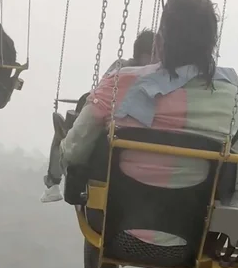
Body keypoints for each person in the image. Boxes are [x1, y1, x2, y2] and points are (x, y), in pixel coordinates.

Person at [60, 0, 238, 268]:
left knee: (95, 184)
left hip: (115, 234)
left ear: (161, 40)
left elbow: (73, 149)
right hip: (193, 244)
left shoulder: (121, 84)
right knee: (206, 201)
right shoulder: (233, 99)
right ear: (211, 44)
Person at [40, 30, 156, 204]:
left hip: (116, 150)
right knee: (77, 139)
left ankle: (53, 181)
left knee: (72, 136)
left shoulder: (134, 76)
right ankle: (54, 181)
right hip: (108, 142)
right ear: (146, 56)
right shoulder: (130, 75)